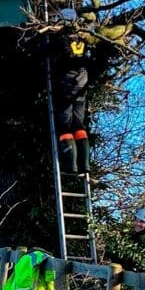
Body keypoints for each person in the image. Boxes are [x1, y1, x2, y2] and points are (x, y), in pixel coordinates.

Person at [51, 15, 92, 175]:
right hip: (81, 86)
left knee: (65, 127)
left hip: (65, 88)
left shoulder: (61, 39)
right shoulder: (86, 39)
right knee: (79, 126)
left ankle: (71, 166)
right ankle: (85, 164)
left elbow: (46, 51)